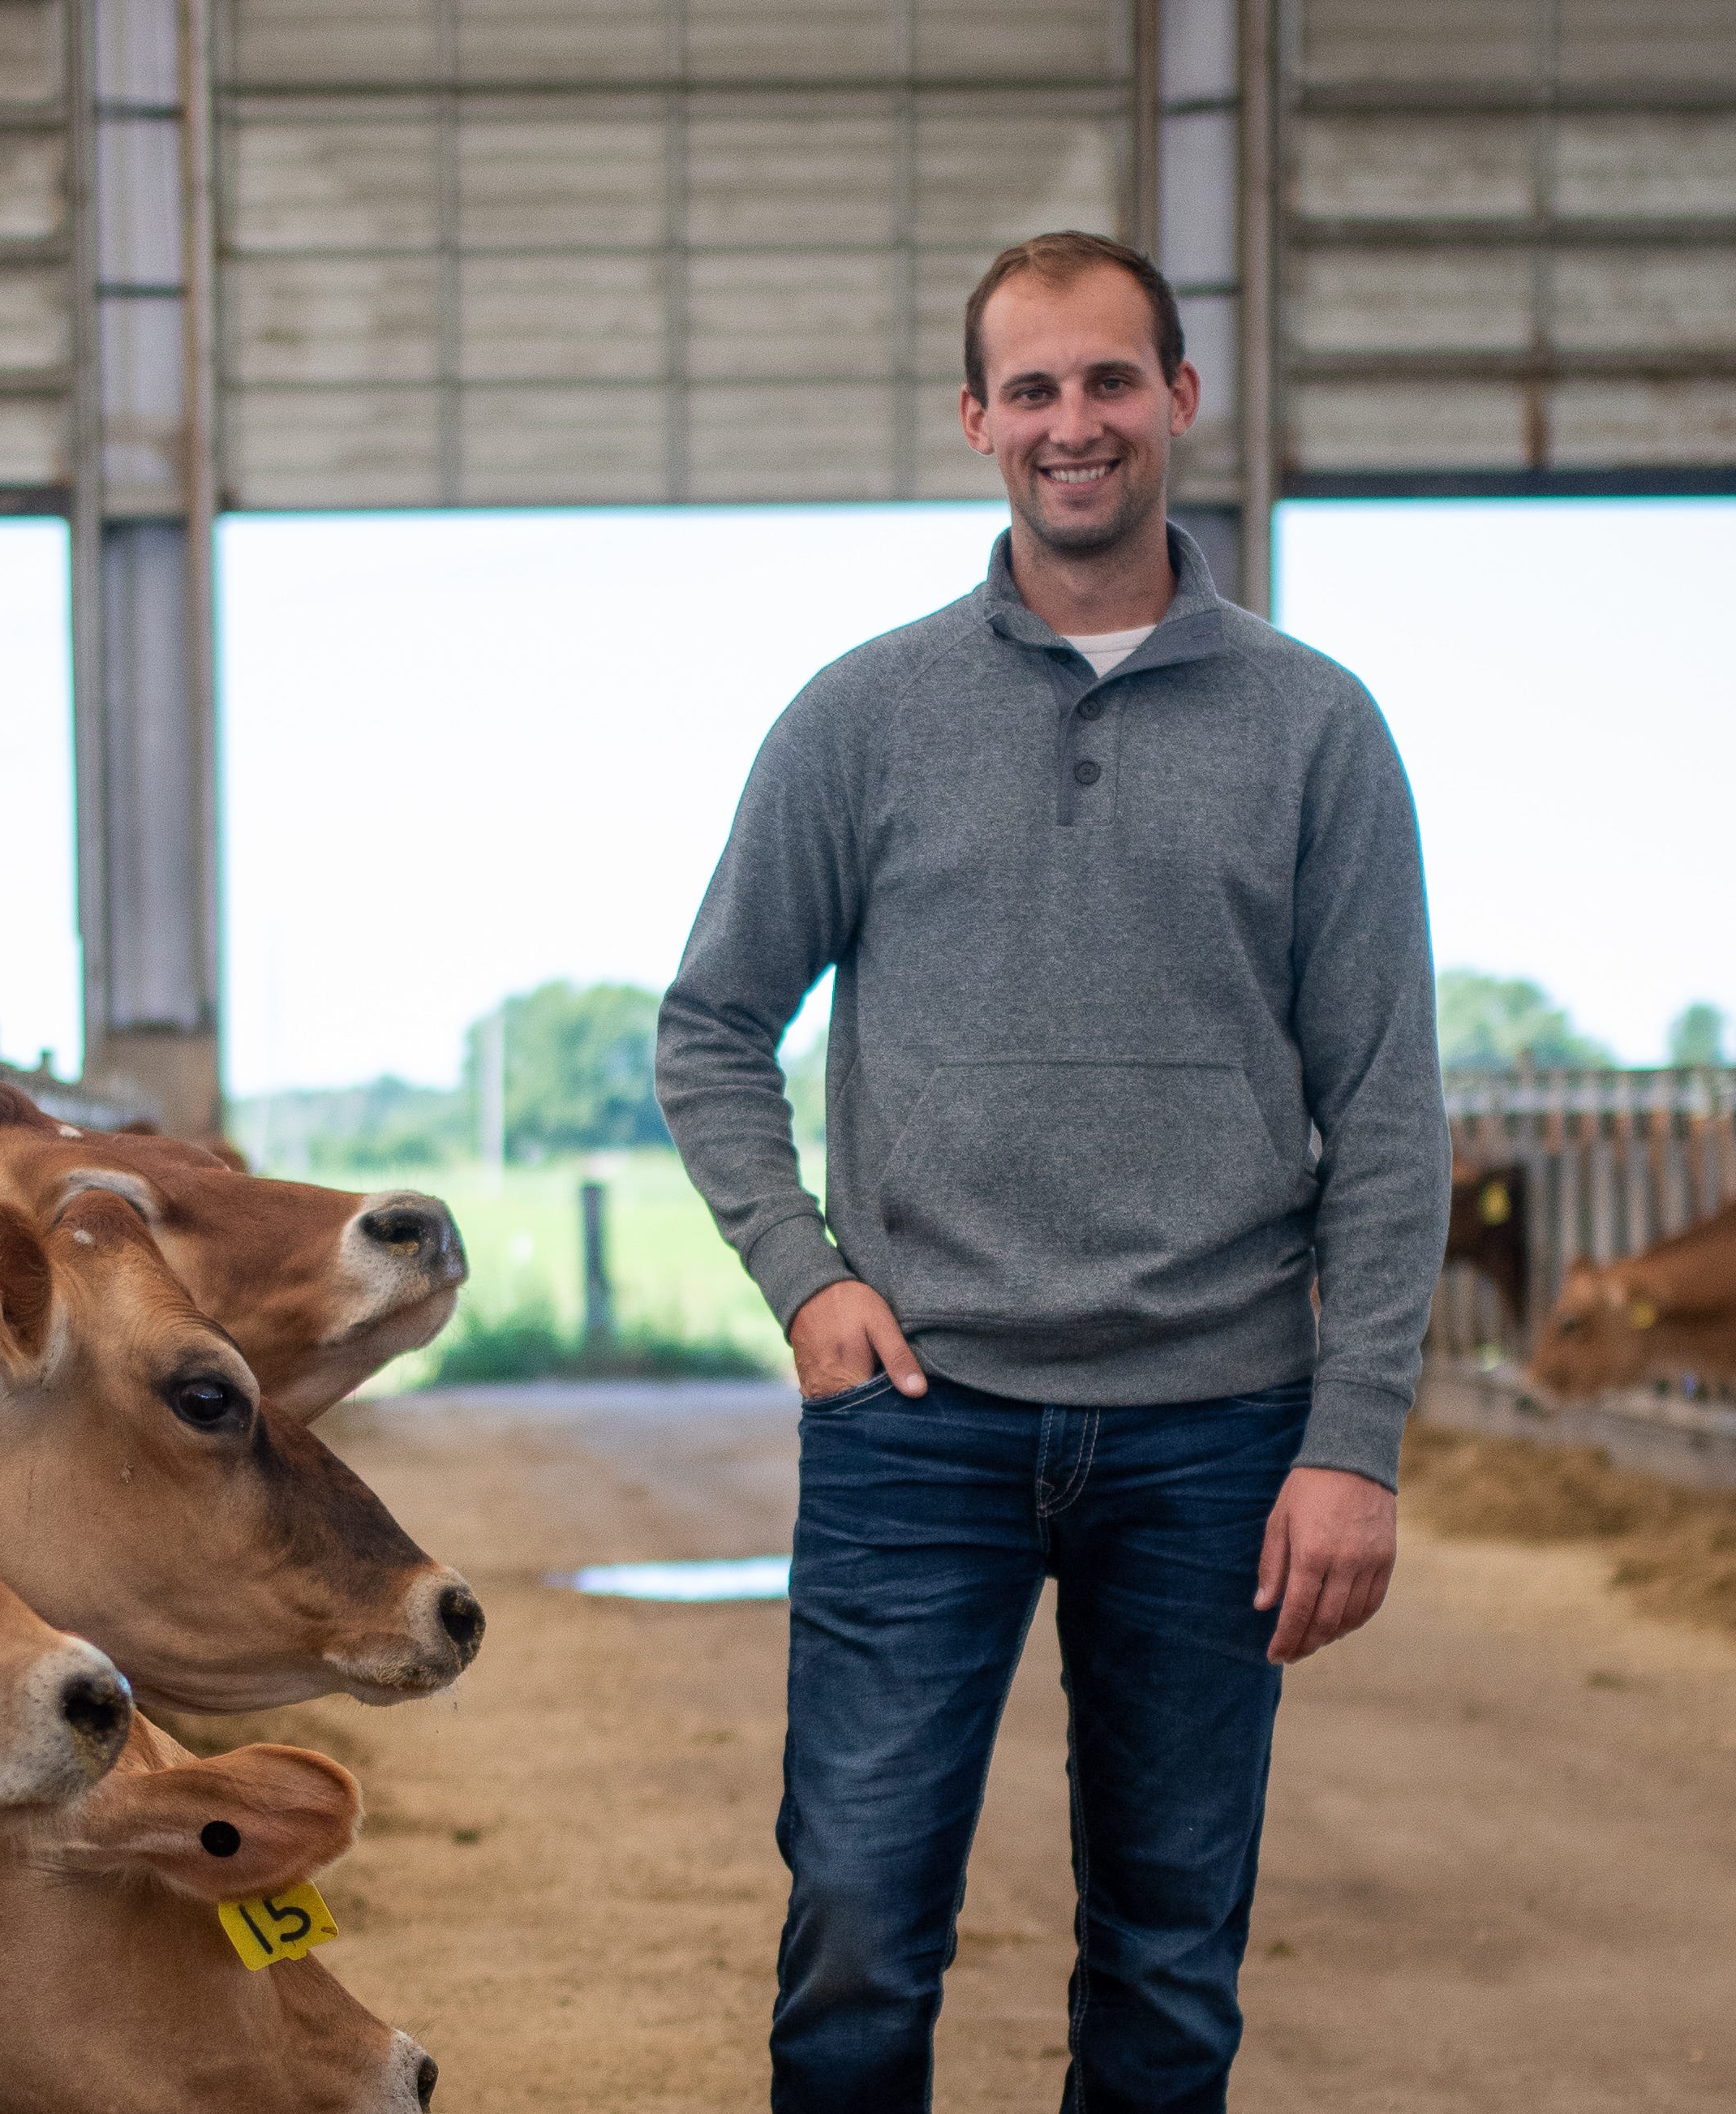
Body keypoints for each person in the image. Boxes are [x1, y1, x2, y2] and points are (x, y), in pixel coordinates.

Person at [655, 230, 1450, 2114]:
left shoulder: (1311, 728)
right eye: (1030, 388)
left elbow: (1388, 1110)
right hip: (915, 1416)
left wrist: (1352, 1439)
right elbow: (708, 1028)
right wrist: (806, 1275)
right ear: (974, 421)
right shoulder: (859, 717)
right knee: (853, 1924)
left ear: (1177, 400)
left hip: (1215, 1426)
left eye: (1107, 381)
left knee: (1167, 1956)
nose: (1068, 423)